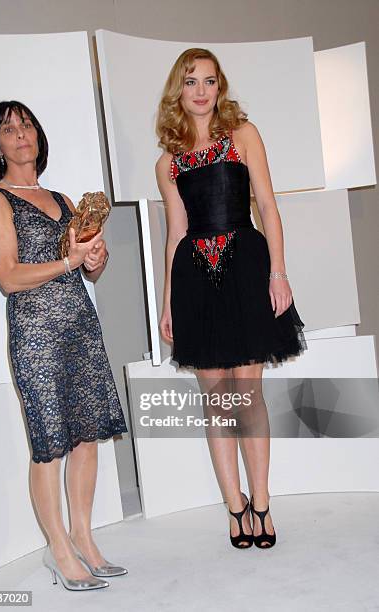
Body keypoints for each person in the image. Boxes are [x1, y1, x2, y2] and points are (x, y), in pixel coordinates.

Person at [155, 49, 307, 550]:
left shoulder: (244, 135)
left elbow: (266, 204)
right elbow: (175, 234)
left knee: (249, 393)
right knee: (216, 401)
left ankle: (262, 503)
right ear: (179, 89)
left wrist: (278, 272)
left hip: (245, 266)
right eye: (191, 81)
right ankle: (234, 507)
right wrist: (168, 302)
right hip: (196, 279)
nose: (201, 90)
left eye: (210, 81)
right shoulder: (168, 161)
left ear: (220, 87)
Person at [0, 101, 128, 590]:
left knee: (86, 435)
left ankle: (85, 539)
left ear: (38, 138)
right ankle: (58, 549)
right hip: (36, 333)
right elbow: (8, 276)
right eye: (8, 129)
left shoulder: (65, 199)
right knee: (49, 446)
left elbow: (91, 271)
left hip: (80, 327)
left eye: (26, 125)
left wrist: (95, 258)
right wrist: (69, 264)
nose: (20, 134)